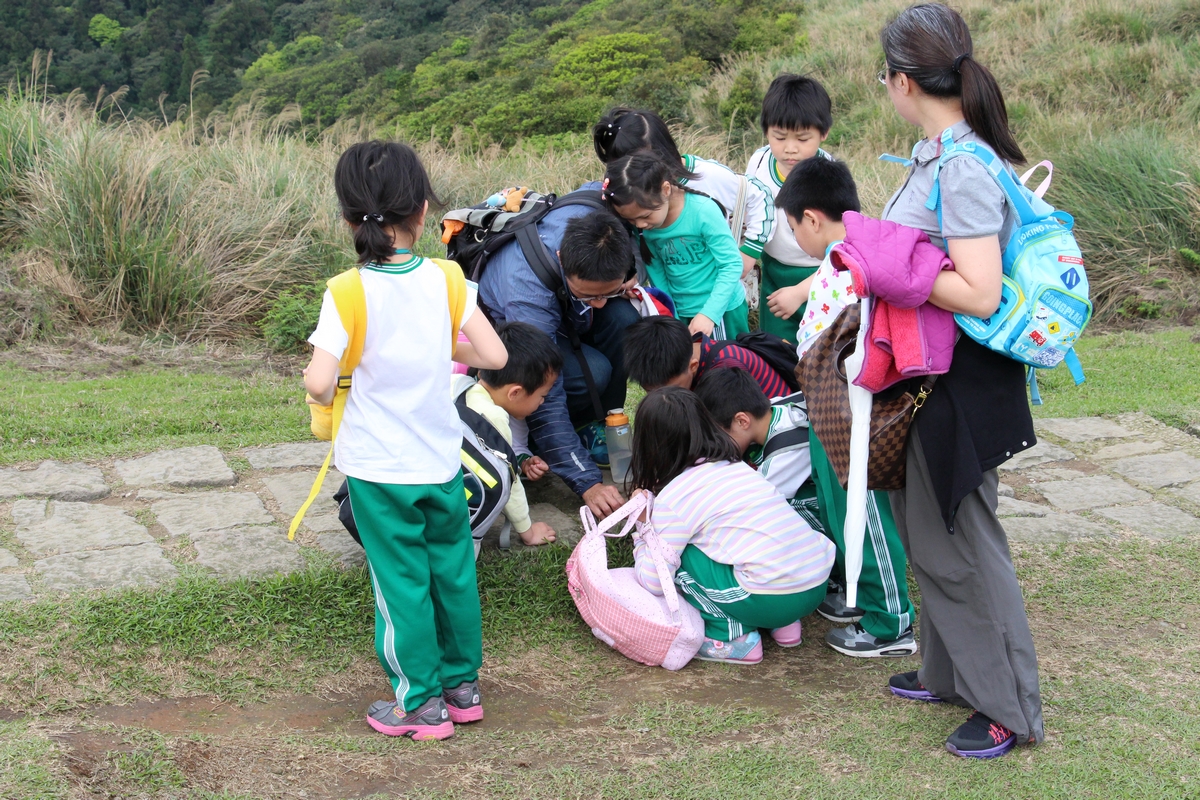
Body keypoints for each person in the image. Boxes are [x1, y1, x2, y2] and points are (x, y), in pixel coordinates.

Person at [878, 3, 1043, 758]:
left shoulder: (964, 166)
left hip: (961, 384)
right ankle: (948, 670)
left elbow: (976, 289)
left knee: (963, 542)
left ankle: (1004, 704)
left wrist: (895, 267)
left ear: (902, 81)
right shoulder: (938, 153)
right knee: (927, 530)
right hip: (928, 377)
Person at [303, 141, 507, 741]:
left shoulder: (346, 291)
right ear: (422, 211)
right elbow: (493, 354)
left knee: (401, 582)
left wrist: (332, 375)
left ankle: (418, 704)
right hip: (442, 461)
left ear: (348, 220)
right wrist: (437, 345)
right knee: (452, 570)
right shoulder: (448, 278)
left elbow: (319, 384)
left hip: (378, 469)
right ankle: (461, 687)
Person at [777, 155, 919, 658]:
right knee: (841, 504)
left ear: (811, 218)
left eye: (794, 228)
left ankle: (890, 622)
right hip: (827, 405)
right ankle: (856, 591)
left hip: (855, 410)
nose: (797, 237)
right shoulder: (840, 254)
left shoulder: (856, 259)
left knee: (866, 508)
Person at [627, 387, 835, 664]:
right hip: (815, 585)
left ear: (650, 445)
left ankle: (733, 638)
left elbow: (655, 581)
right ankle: (784, 626)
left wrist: (644, 529)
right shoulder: (739, 468)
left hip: (775, 598)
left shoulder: (676, 497)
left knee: (684, 556)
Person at [479, 207, 637, 520]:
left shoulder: (601, 215)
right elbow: (545, 390)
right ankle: (542, 441)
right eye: (590, 295)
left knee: (624, 319)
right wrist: (587, 482)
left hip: (567, 316)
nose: (600, 303)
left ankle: (598, 424)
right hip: (517, 335)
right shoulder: (526, 291)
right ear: (563, 260)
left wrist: (631, 278)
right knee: (593, 373)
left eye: (609, 291)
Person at [592, 107, 772, 278]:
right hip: (679, 294)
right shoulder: (627, 196)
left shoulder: (707, 176)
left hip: (723, 290)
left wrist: (749, 252)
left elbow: (760, 195)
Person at [602, 152, 749, 339]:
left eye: (645, 216)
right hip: (682, 312)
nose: (639, 225)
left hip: (720, 311)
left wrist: (709, 314)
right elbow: (657, 271)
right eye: (631, 219)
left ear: (666, 189)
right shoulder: (646, 227)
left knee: (727, 362)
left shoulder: (702, 212)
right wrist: (672, 314)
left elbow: (731, 264)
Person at [746, 74, 835, 343]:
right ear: (766, 131)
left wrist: (800, 292)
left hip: (820, 278)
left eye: (803, 138)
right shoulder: (759, 163)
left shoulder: (829, 178)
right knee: (777, 352)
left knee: (821, 354)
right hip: (774, 274)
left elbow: (843, 252)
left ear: (824, 133)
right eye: (780, 137)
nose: (790, 149)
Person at [467, 321, 564, 547]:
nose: (541, 403)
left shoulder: (458, 385)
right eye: (542, 396)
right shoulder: (493, 417)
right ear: (515, 393)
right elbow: (507, 482)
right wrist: (527, 530)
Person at [623, 315, 791, 398]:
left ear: (693, 366)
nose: (661, 399)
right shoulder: (692, 350)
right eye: (651, 392)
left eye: (670, 391)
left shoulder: (725, 371)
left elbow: (728, 440)